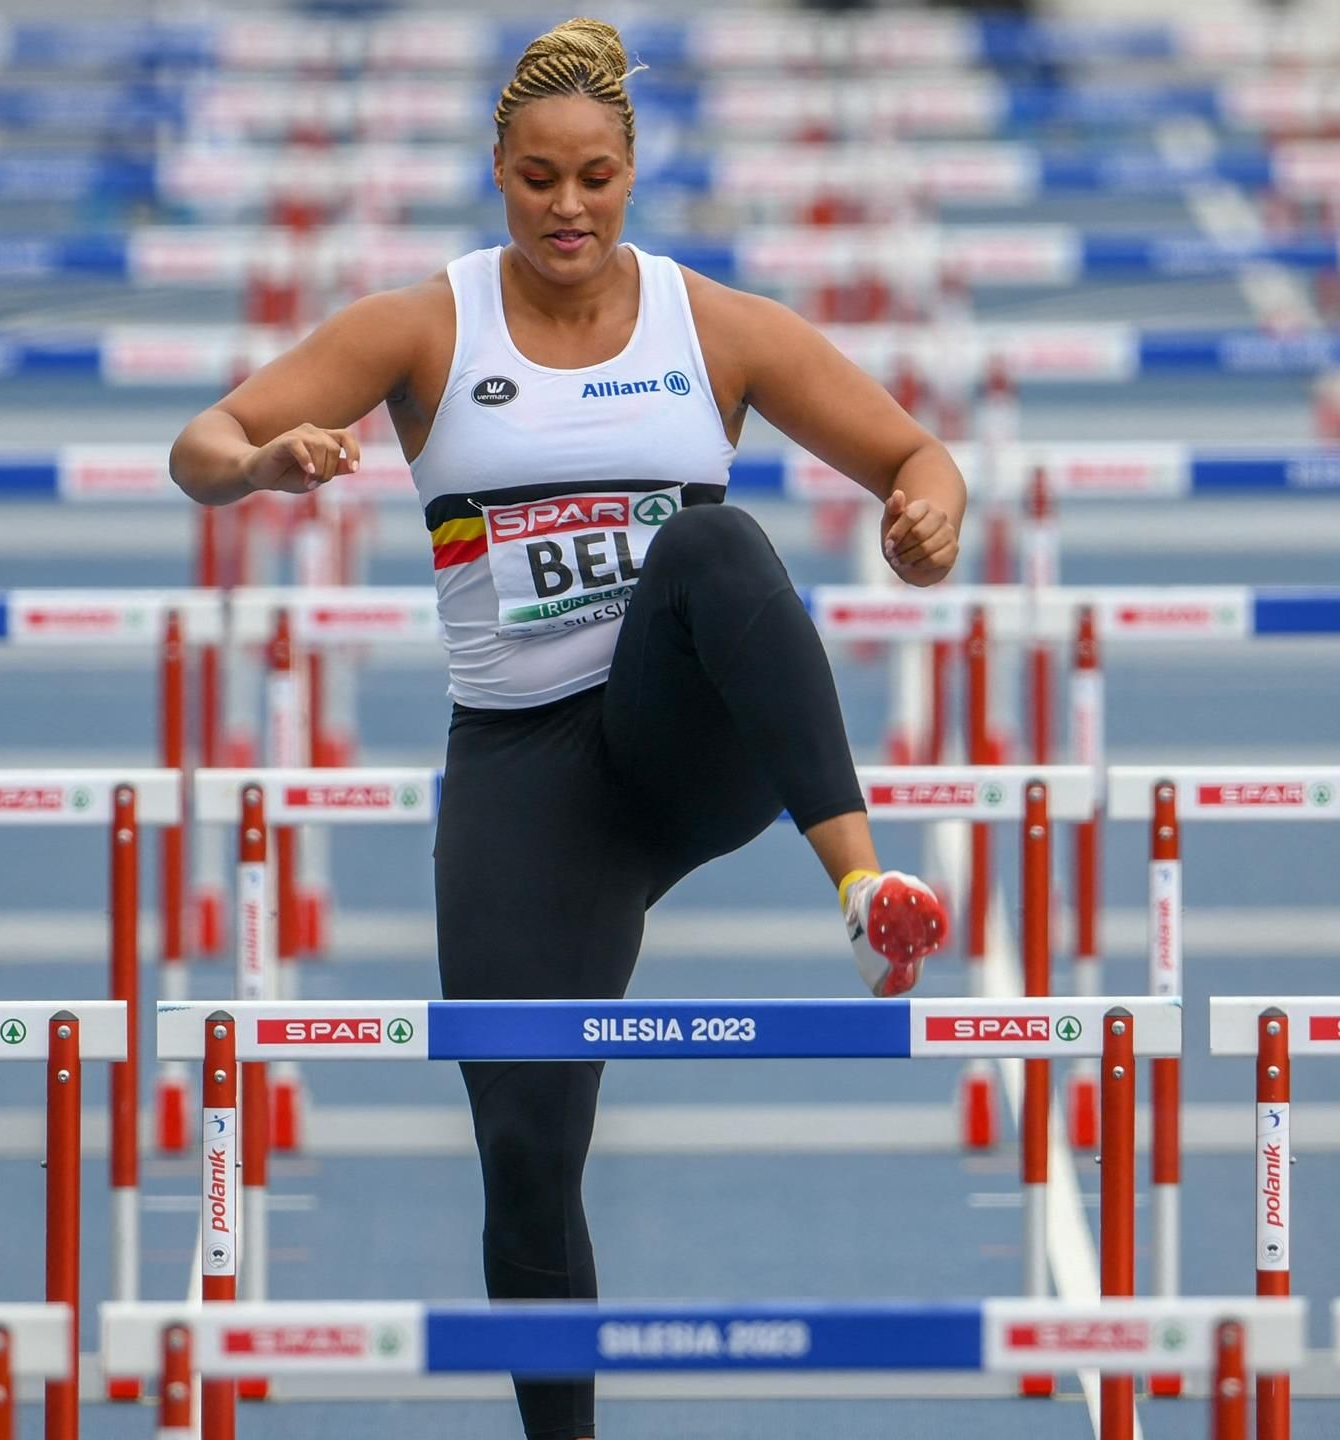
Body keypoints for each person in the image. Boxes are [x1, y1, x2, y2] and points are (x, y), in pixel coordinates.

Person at [169, 18, 963, 1438]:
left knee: (716, 556)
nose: (569, 209)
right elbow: (201, 444)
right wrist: (270, 461)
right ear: (498, 172)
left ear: (634, 171)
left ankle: (862, 886)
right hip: (525, 775)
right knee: (526, 1156)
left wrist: (926, 515)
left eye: (595, 177)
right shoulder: (425, 324)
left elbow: (915, 453)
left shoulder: (706, 324)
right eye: (539, 179)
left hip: (677, 743)